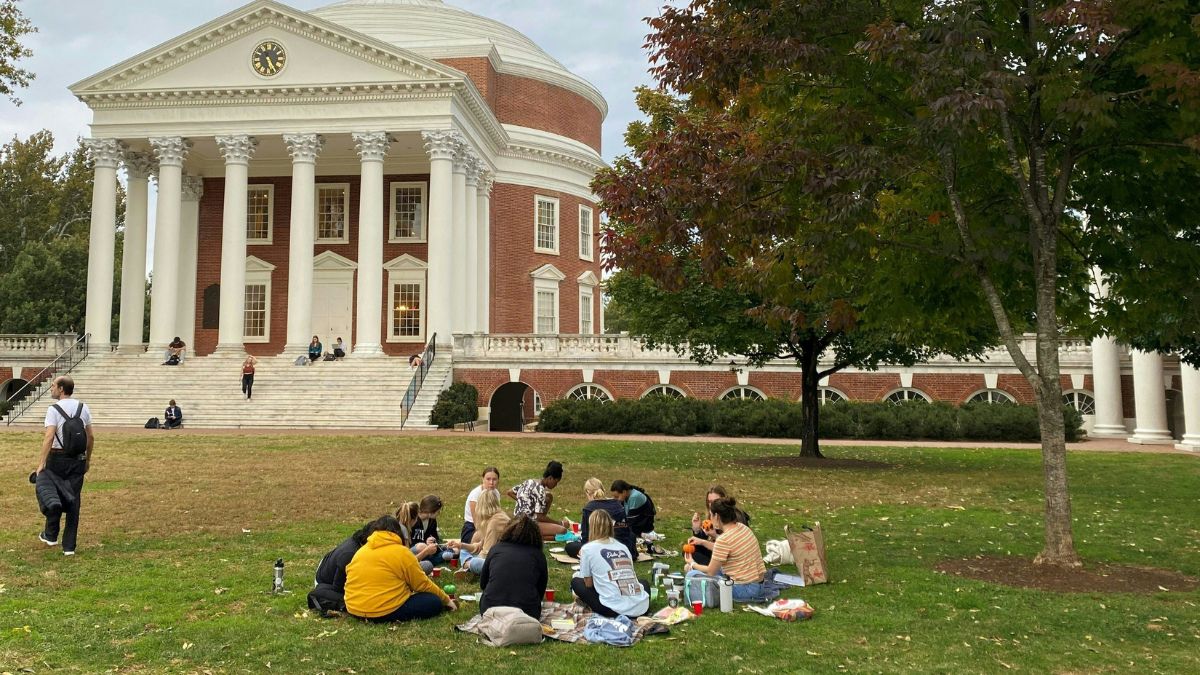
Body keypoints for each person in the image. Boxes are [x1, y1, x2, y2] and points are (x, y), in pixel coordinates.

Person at [344, 515, 456, 622]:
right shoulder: (401, 552)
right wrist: (446, 600)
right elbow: (422, 584)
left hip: (353, 608)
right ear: (398, 533)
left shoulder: (361, 551)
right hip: (380, 611)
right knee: (434, 601)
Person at [35, 376, 94, 556]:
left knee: (52, 496)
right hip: (77, 459)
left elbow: (49, 437)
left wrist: (41, 462)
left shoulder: (53, 410)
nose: (51, 388)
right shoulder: (83, 408)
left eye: (53, 386)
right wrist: (88, 459)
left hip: (56, 458)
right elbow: (90, 437)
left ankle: (51, 535)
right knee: (74, 500)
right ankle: (69, 547)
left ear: (61, 389)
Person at [685, 497, 769, 602]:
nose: (710, 518)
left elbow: (711, 571)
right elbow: (725, 550)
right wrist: (702, 542)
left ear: (717, 516)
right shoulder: (742, 527)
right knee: (700, 570)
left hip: (745, 590)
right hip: (759, 585)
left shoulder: (724, 539)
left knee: (691, 574)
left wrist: (692, 563)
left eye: (711, 515)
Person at [571, 510, 650, 618]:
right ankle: (634, 604)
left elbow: (588, 584)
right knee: (642, 582)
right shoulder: (623, 547)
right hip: (640, 607)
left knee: (576, 582)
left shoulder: (587, 549)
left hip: (612, 609)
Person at [479, 516, 548, 619]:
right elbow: (540, 590)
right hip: (527, 613)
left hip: (490, 609)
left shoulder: (496, 549)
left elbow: (483, 583)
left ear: (508, 530)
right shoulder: (538, 555)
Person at [308, 517, 379, 614]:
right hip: (326, 583)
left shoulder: (358, 543)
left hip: (327, 569)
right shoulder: (350, 555)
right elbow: (338, 587)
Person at [564, 477, 634, 559]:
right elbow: (625, 530)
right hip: (622, 547)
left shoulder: (589, 508)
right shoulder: (618, 504)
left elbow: (586, 537)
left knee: (570, 546)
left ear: (588, 493)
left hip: (600, 548)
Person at [447, 488, 509, 576]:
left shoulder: (495, 522)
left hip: (501, 561)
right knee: (464, 550)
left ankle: (467, 566)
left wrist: (470, 563)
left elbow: (486, 553)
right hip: (496, 557)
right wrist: (461, 545)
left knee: (476, 562)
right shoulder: (494, 518)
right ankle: (468, 565)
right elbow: (480, 546)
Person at [689, 485, 752, 567]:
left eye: (715, 501)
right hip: (718, 550)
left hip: (730, 557)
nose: (712, 505)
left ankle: (711, 568)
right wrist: (697, 530)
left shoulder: (734, 516)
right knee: (690, 548)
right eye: (710, 502)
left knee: (691, 561)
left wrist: (714, 535)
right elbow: (705, 539)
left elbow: (731, 545)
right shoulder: (712, 514)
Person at [507, 460, 568, 541]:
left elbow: (510, 492)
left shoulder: (529, 481)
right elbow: (539, 517)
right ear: (550, 478)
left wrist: (526, 502)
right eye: (556, 482)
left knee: (549, 496)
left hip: (516, 520)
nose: (555, 485)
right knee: (562, 530)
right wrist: (560, 523)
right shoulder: (541, 491)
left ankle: (529, 537)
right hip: (527, 524)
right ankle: (529, 536)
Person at [460, 466, 500, 543]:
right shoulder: (475, 495)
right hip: (473, 528)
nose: (491, 482)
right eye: (488, 479)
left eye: (494, 479)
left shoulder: (496, 493)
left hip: (490, 525)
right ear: (483, 479)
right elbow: (477, 523)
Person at [411, 494, 454, 565]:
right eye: (438, 511)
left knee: (446, 547)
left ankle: (446, 553)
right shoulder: (414, 520)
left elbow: (435, 536)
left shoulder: (432, 521)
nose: (438, 514)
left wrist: (433, 540)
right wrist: (426, 543)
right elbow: (412, 543)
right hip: (417, 550)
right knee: (425, 553)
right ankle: (442, 556)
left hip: (429, 548)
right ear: (431, 511)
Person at [394, 502, 435, 573]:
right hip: (397, 569)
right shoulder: (403, 531)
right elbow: (407, 563)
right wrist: (426, 552)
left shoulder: (395, 524)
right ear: (413, 520)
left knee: (421, 546)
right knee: (428, 565)